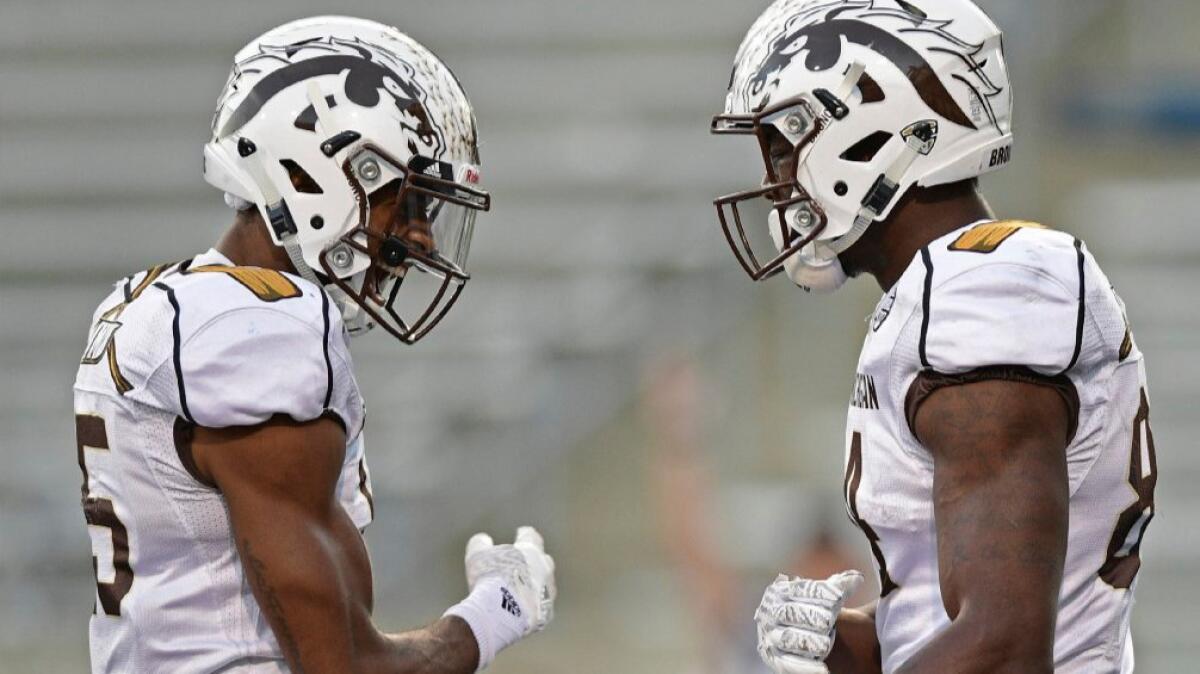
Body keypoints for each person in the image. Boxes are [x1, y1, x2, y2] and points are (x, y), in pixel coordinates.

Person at [73, 16, 555, 673]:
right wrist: (494, 613)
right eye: (405, 203)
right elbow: (344, 667)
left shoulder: (158, 301)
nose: (422, 239)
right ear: (313, 173)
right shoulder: (255, 331)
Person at [710, 1, 1156, 672]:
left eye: (783, 143)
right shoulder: (948, 289)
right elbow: (958, 624)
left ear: (871, 131)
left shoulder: (985, 293)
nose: (774, 181)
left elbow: (1005, 650)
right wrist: (842, 648)